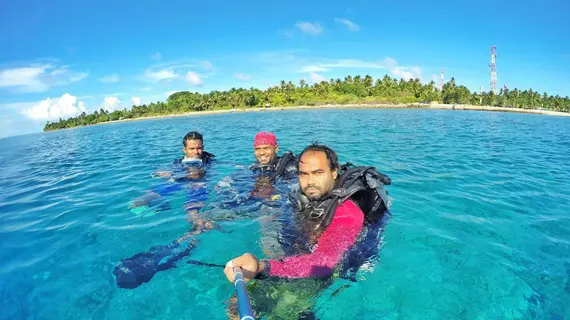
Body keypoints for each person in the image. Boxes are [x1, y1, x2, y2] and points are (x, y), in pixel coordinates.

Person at [222, 143, 392, 319]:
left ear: (334, 172)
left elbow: (323, 263)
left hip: (329, 268)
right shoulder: (309, 197)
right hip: (302, 257)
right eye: (303, 174)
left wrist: (263, 266)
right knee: (236, 307)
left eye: (318, 173)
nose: (309, 181)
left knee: (281, 310)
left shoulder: (348, 214)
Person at [129, 131, 215, 217]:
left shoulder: (208, 160)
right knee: (138, 201)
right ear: (185, 150)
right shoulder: (178, 162)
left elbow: (201, 174)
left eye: (199, 148)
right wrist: (162, 173)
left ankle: (198, 223)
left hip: (197, 184)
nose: (196, 152)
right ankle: (161, 208)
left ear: (203, 148)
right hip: (178, 182)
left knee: (193, 211)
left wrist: (175, 174)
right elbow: (158, 172)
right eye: (192, 149)